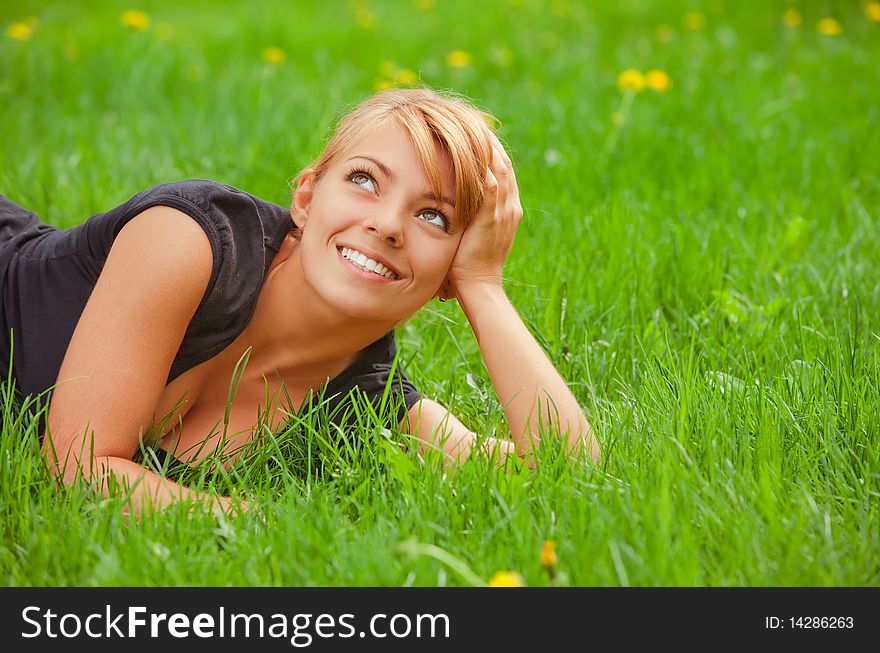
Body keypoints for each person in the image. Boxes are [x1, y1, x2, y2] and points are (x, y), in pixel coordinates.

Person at [0, 87, 599, 517]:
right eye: (365, 179)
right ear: (308, 197)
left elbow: (567, 474)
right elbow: (79, 468)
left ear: (452, 267)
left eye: (433, 216)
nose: (388, 224)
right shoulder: (190, 239)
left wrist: (485, 289)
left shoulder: (363, 402)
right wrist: (261, 522)